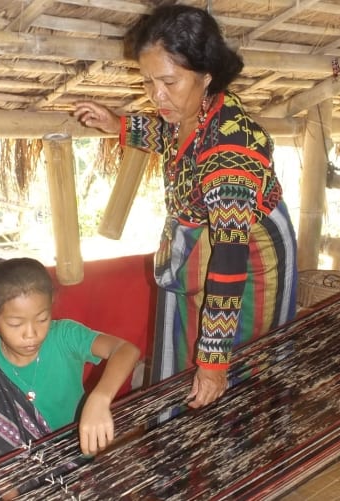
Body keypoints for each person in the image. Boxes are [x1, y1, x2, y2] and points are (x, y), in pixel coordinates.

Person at [74, 5, 297, 410]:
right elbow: (168, 134)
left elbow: (229, 264)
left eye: (169, 81)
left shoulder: (232, 150)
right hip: (201, 242)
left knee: (235, 374)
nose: (157, 95)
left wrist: (214, 359)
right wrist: (118, 125)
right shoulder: (188, 110)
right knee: (182, 349)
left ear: (206, 74)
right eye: (148, 82)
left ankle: (233, 448)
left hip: (248, 263)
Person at [0, 257, 140, 482]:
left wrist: (100, 397)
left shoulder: (64, 336)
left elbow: (126, 350)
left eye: (42, 319)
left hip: (85, 457)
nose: (31, 334)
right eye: (15, 324)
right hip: (26, 474)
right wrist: (8, 491)